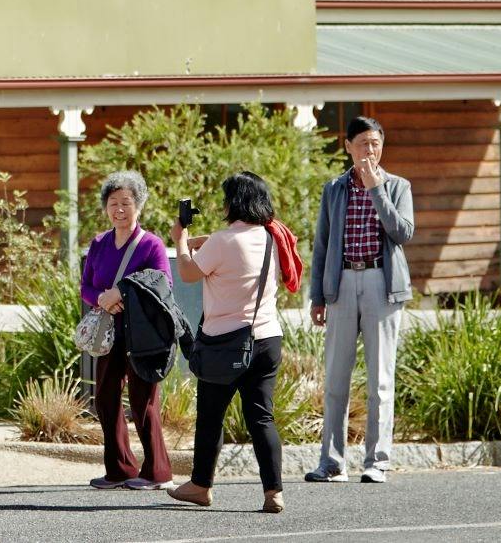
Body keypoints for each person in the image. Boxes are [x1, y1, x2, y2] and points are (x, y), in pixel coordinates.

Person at [168, 171, 302, 516]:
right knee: (261, 417)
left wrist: (180, 240)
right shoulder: (273, 238)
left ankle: (200, 486)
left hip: (225, 343)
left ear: (235, 202)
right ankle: (274, 493)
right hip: (268, 338)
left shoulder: (223, 242)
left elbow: (187, 272)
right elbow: (230, 245)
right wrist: (204, 240)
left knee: (211, 416)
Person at [306, 115, 416, 485]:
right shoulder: (334, 189)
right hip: (341, 283)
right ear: (348, 146)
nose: (371, 150)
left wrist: (376, 190)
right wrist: (318, 296)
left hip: (381, 284)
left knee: (380, 378)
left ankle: (377, 461)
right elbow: (322, 245)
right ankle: (332, 462)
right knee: (336, 377)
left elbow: (402, 233)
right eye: (364, 143)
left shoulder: (398, 186)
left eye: (376, 143)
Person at [79, 170, 172, 490]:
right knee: (104, 398)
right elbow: (86, 287)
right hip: (108, 332)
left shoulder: (152, 245)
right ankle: (120, 469)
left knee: (143, 401)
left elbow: (163, 286)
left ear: (139, 205)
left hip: (142, 334)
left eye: (126, 202)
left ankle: (157, 472)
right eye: (113, 202)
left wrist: (122, 293)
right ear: (106, 207)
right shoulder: (99, 243)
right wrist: (103, 299)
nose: (119, 209)